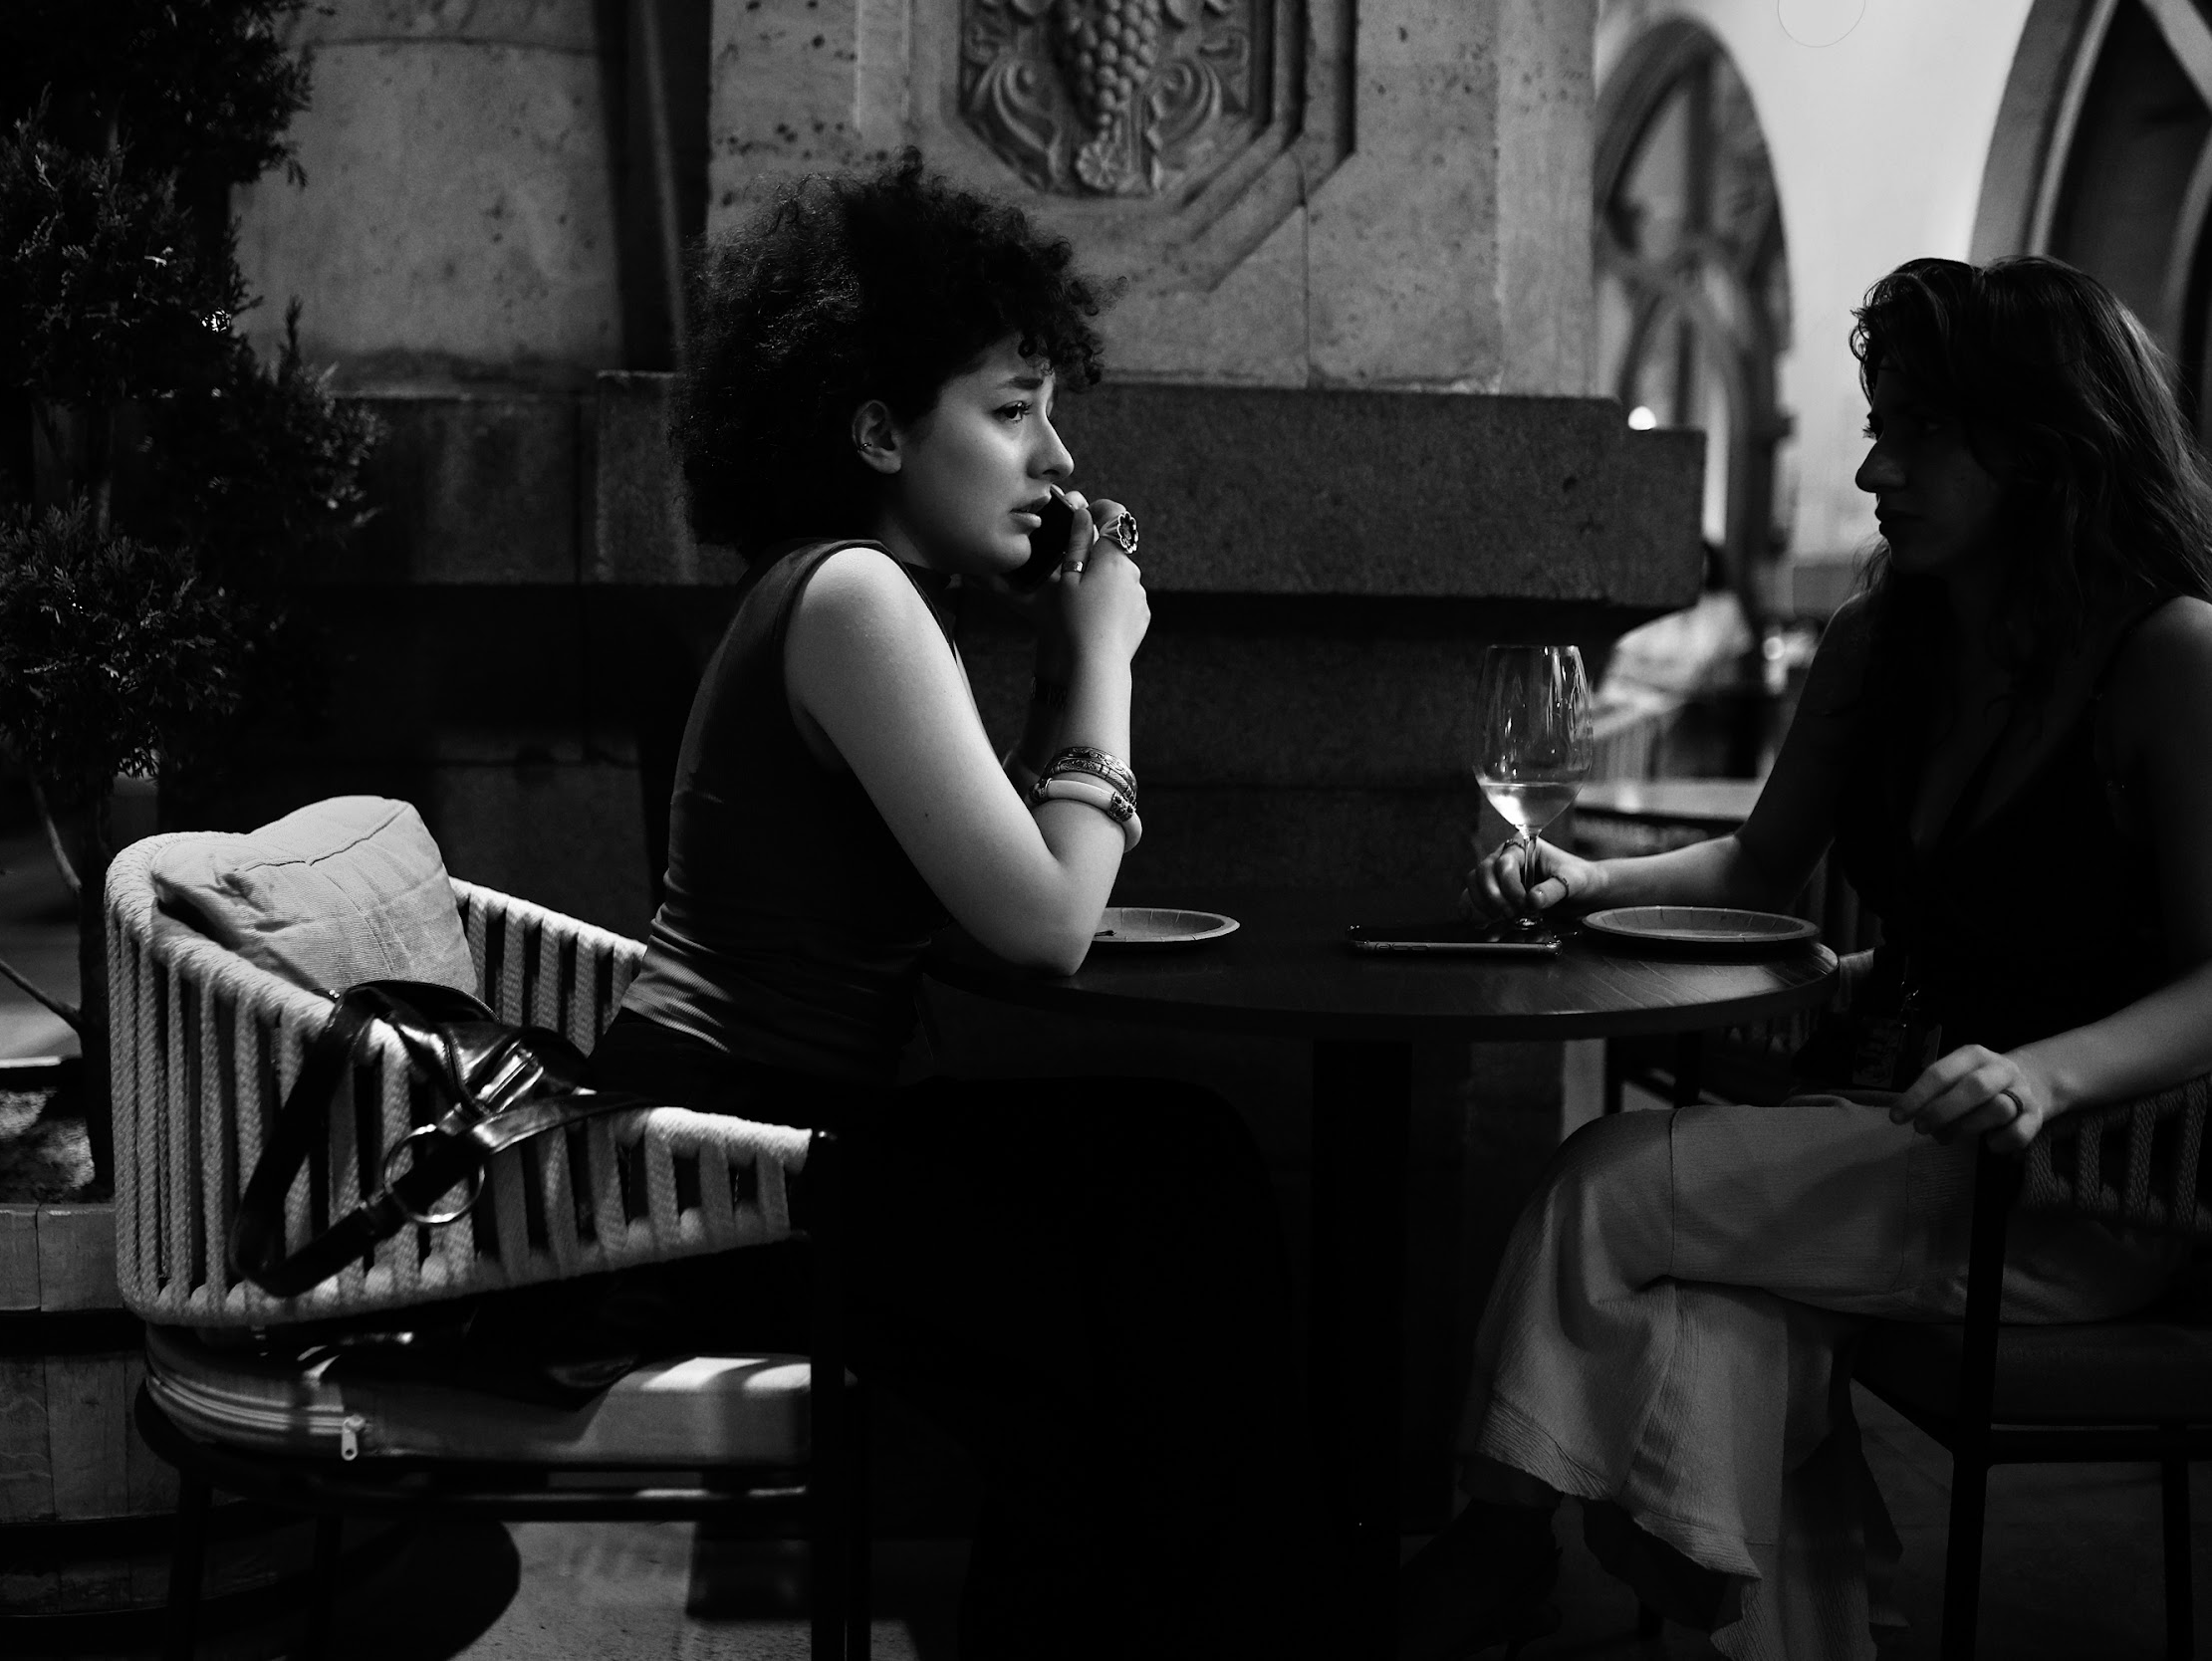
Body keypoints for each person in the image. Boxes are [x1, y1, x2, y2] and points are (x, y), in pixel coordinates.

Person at [1409, 255, 2212, 1660]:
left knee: (1605, 1181)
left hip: (2066, 1188)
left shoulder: (2172, 656)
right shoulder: (1879, 641)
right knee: (1724, 1334)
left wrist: (2042, 1077)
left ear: (2047, 444)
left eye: (1920, 432)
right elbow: (1755, 868)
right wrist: (1587, 881)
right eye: (1879, 423)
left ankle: (1499, 1537)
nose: (1873, 468)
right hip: (1873, 1127)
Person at [581, 152, 1290, 1658]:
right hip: (728, 1183)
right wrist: (1101, 655)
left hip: (787, 1147)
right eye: (1013, 409)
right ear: (879, 430)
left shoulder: (874, 597)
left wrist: (1063, 664)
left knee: (1169, 1182)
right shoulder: (854, 600)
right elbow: (1045, 926)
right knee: (1162, 1223)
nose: (1057, 457)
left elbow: (1005, 893)